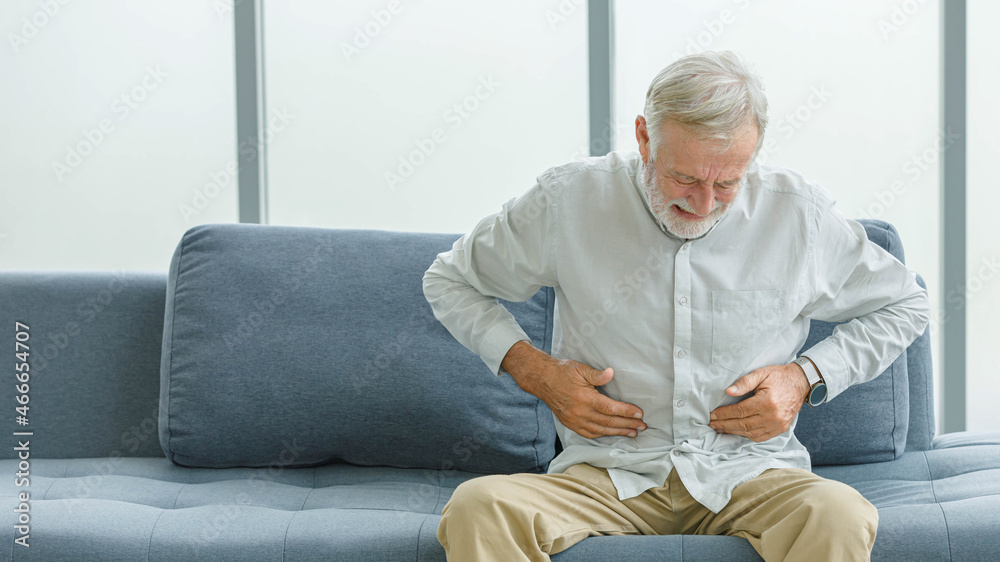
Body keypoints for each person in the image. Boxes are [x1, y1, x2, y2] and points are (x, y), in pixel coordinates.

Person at [422, 51, 930, 561]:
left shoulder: (800, 216)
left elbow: (907, 303)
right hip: (606, 475)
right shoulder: (568, 200)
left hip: (749, 476)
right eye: (684, 178)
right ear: (645, 138)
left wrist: (805, 377)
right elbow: (450, 279)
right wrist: (535, 371)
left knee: (840, 514)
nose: (703, 204)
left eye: (727, 182)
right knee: (479, 506)